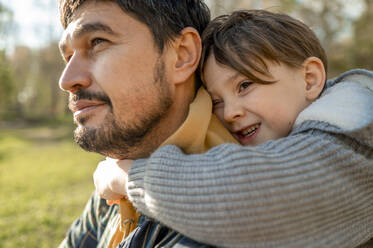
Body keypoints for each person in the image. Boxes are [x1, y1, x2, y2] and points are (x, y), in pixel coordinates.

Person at [93, 10, 373, 248]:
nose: (230, 112)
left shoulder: (352, 135)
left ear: (310, 79)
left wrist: (126, 174)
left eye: (245, 85)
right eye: (216, 101)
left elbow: (245, 197)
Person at [57, 0, 241, 247]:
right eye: (68, 56)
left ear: (181, 55)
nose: (67, 79)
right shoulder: (116, 174)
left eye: (98, 42)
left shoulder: (236, 212)